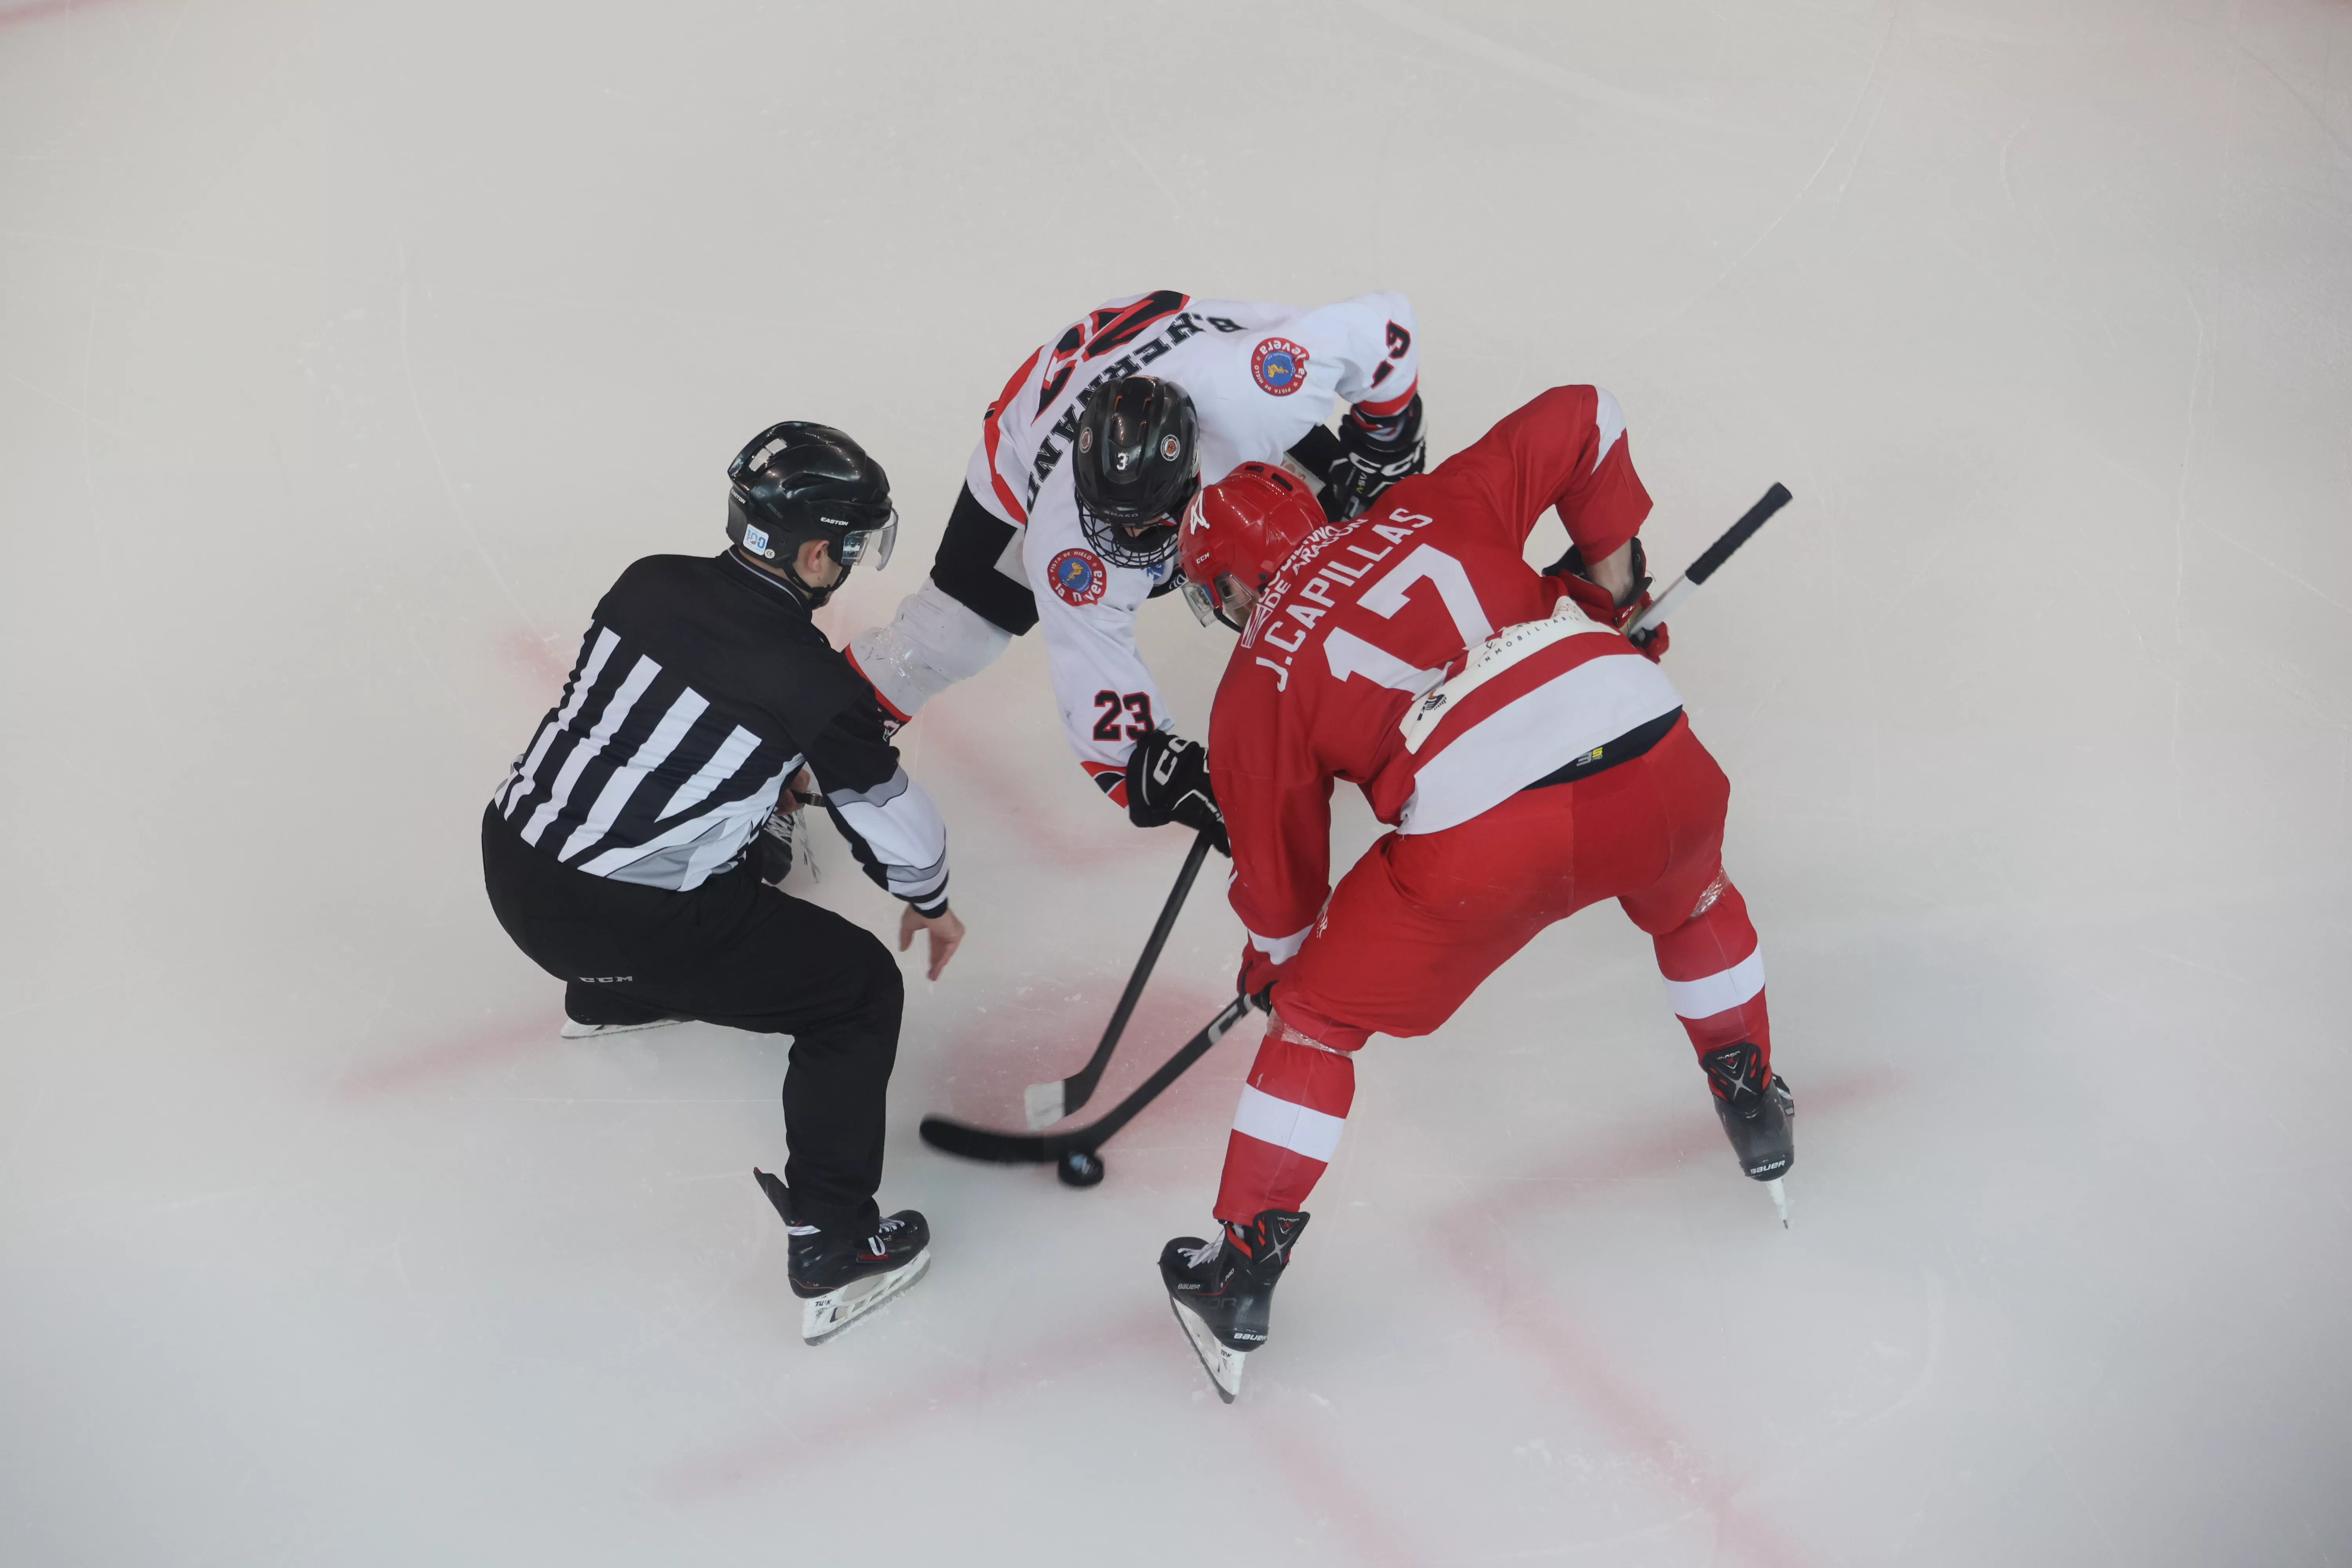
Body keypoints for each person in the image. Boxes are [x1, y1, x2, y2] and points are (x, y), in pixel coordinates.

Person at [1154, 386, 1791, 1400]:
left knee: (1317, 1022)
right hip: (1650, 745)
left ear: (1228, 585)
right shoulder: (1428, 503)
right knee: (1695, 900)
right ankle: (1753, 1095)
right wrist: (1615, 596)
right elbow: (1591, 413)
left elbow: (1282, 888)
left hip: (1485, 831)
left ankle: (1240, 1270)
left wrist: (1275, 973)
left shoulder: (1255, 678)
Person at [480, 422, 963, 1345]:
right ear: (818, 549)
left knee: (732, 848)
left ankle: (610, 1000)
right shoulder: (813, 684)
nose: (856, 563)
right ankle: (834, 1243)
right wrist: (932, 900)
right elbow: (900, 825)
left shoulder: (647, 579)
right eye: (856, 545)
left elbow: (652, 734)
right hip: (622, 921)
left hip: (514, 858)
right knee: (857, 992)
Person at [846, 290, 1426, 849]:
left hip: (1196, 365)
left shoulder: (1256, 390)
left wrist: (1382, 450)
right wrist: (1178, 778)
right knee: (947, 638)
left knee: (1367, 525)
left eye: (1145, 524)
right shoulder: (1065, 541)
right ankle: (814, 739)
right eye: (1114, 522)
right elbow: (1107, 713)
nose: (1126, 544)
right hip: (1026, 449)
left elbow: (1385, 327)